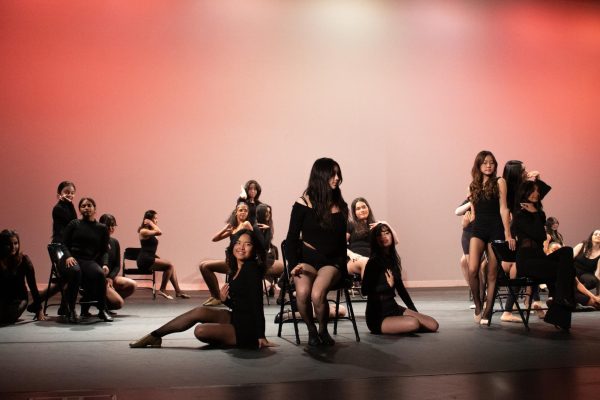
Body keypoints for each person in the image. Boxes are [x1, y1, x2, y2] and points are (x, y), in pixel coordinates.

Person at [130, 229, 276, 349]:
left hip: (247, 329)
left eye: (247, 244)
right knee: (199, 311)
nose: (241, 247)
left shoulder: (251, 269)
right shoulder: (234, 269)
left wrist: (261, 336)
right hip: (237, 317)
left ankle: (234, 339)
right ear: (232, 245)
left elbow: (257, 305)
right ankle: (155, 336)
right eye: (238, 243)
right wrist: (225, 300)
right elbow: (242, 304)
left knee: (200, 330)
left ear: (254, 249)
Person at [285, 157, 348, 346]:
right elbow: (291, 239)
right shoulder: (302, 203)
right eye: (332, 174)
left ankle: (323, 330)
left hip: (331, 261)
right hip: (307, 260)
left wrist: (343, 267)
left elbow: (340, 244)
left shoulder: (340, 205)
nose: (336, 178)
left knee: (317, 294)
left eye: (338, 174)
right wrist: (293, 265)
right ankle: (311, 331)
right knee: (303, 293)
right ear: (320, 176)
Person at [511, 181, 575, 330]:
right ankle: (562, 305)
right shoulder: (520, 215)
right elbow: (540, 235)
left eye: (537, 191)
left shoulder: (540, 214)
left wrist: (536, 213)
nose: (536, 194)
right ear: (525, 193)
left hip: (540, 258)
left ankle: (559, 302)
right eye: (532, 191)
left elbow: (540, 236)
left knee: (567, 251)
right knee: (569, 271)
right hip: (527, 262)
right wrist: (534, 214)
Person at [361, 223, 438, 334]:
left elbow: (401, 290)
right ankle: (401, 324)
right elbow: (364, 291)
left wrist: (414, 311)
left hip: (393, 308)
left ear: (392, 236)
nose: (384, 237)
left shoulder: (392, 260)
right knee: (414, 323)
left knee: (433, 325)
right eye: (380, 235)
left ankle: (403, 322)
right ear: (375, 240)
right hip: (378, 316)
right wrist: (387, 285)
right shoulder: (373, 262)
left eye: (387, 233)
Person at [467, 151, 514, 326]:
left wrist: (508, 234)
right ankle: (479, 303)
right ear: (478, 165)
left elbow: (504, 209)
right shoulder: (473, 185)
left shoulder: (500, 182)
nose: (488, 165)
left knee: (492, 273)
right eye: (485, 162)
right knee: (472, 269)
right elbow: (474, 212)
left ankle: (488, 311)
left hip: (496, 229)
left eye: (492, 163)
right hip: (479, 228)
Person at [62, 197, 112, 322]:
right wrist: (68, 256)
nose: (86, 208)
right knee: (76, 271)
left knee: (100, 273)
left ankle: (102, 310)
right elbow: (63, 244)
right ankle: (71, 310)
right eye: (83, 206)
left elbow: (104, 250)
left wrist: (105, 264)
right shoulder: (74, 224)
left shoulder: (102, 228)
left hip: (87, 261)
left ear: (95, 209)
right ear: (79, 209)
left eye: (89, 205)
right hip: (71, 258)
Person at [199, 201, 256, 306]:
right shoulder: (233, 228)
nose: (243, 212)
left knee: (206, 266)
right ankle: (215, 296)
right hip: (230, 261)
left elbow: (255, 241)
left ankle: (217, 297)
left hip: (239, 264)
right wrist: (225, 229)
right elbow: (214, 239)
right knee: (203, 265)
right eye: (241, 210)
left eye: (245, 210)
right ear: (236, 212)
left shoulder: (246, 224)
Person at [136, 210, 190, 300]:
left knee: (170, 267)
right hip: (144, 260)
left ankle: (178, 291)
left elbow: (149, 247)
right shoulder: (143, 231)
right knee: (170, 265)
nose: (157, 221)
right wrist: (151, 223)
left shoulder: (150, 231)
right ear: (149, 219)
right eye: (155, 218)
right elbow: (160, 232)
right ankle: (163, 289)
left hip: (149, 258)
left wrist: (156, 257)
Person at [0, 230, 45, 324]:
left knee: (7, 317)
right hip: (3, 297)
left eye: (15, 243)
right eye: (9, 244)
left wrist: (39, 310)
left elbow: (33, 286)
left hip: (18, 299)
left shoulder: (24, 260)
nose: (13, 247)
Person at [98, 214, 137, 312]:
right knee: (119, 303)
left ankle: (105, 304)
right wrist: (105, 279)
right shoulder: (96, 241)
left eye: (113, 225)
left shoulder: (114, 242)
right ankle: (101, 302)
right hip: (98, 277)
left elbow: (117, 265)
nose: (111, 228)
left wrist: (110, 278)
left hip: (110, 277)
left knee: (132, 284)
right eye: (108, 226)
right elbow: (94, 263)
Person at [255, 203, 284, 296]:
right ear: (261, 213)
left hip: (265, 258)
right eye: (266, 212)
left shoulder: (266, 226)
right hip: (259, 260)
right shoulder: (256, 227)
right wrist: (268, 230)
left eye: (269, 212)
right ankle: (272, 284)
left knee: (274, 250)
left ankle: (272, 284)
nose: (269, 214)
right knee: (288, 269)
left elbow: (266, 245)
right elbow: (264, 246)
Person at [346, 197, 376, 278]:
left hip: (372, 259)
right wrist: (351, 254)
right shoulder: (351, 225)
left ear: (368, 208)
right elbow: (339, 245)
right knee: (366, 262)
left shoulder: (375, 226)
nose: (362, 210)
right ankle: (368, 290)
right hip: (354, 260)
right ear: (354, 212)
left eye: (364, 207)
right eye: (358, 209)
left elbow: (396, 241)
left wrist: (384, 223)